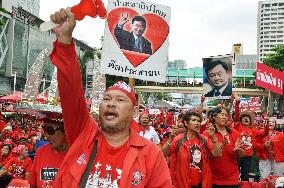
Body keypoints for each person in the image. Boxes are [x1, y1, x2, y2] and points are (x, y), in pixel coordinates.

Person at [49, 8, 171, 187]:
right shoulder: (84, 135)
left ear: (135, 111)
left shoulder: (151, 154)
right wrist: (65, 40)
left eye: (120, 100)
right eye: (107, 99)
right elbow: (71, 92)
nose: (111, 104)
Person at [169, 111, 222, 188]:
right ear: (186, 123)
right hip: (183, 182)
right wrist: (170, 139)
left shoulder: (204, 139)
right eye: (193, 120)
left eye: (198, 121)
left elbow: (217, 154)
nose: (197, 123)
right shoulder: (178, 140)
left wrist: (213, 137)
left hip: (201, 182)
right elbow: (165, 153)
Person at [204, 106, 245, 187]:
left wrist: (238, 149)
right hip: (214, 178)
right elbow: (211, 155)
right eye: (222, 114)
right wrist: (220, 145)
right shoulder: (207, 134)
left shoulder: (234, 133)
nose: (225, 117)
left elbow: (243, 155)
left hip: (232, 178)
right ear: (214, 117)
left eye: (226, 115)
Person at [29, 114, 68, 188]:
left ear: (65, 131)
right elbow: (33, 184)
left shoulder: (77, 156)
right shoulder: (41, 153)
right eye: (44, 130)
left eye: (50, 130)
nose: (46, 135)